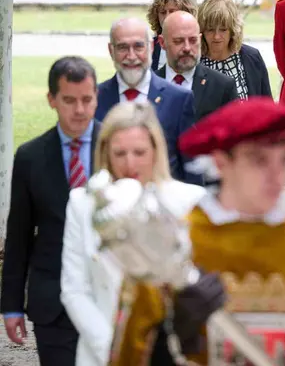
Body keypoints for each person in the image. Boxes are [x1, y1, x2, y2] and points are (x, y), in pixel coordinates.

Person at [108, 97, 285, 365]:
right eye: (259, 160)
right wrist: (169, 339)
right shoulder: (173, 244)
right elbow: (130, 353)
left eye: (283, 158)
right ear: (222, 161)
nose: (277, 175)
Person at [60, 102, 205, 366]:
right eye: (120, 153)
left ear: (156, 150)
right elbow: (74, 289)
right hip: (102, 352)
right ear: (105, 152)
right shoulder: (82, 205)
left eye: (139, 152)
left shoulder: (190, 202)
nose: (130, 163)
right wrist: (116, 350)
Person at [1, 57, 100, 366]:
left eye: (87, 100)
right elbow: (18, 236)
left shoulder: (117, 148)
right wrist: (12, 306)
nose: (80, 110)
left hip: (106, 297)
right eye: (69, 101)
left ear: (97, 97)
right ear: (52, 100)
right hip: (52, 303)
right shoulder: (30, 157)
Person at [96, 17, 198, 183]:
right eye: (122, 47)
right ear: (111, 50)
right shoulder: (95, 99)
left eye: (138, 46)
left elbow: (191, 169)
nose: (131, 56)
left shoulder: (179, 100)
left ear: (151, 47)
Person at [157, 11, 238, 121]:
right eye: (178, 41)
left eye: (193, 40)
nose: (187, 48)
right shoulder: (149, 84)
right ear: (162, 43)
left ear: (200, 39)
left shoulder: (222, 87)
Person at [199, 0, 272, 99]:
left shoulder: (252, 57)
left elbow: (267, 105)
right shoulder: (195, 62)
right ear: (202, 30)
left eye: (223, 30)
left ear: (233, 30)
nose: (217, 36)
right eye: (210, 29)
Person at [147, 0, 197, 72]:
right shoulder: (150, 47)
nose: (167, 17)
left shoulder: (195, 44)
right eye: (163, 12)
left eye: (172, 11)